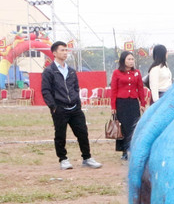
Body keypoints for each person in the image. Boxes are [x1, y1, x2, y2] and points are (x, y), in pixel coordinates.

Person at [40, 41, 102, 170]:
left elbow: (75, 88)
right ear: (54, 53)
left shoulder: (71, 71)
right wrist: (53, 106)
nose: (65, 53)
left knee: (82, 132)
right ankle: (63, 159)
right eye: (62, 50)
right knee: (60, 135)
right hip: (59, 108)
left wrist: (77, 103)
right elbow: (46, 90)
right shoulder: (49, 71)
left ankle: (87, 158)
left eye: (66, 50)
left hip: (74, 107)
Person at [110, 51, 147, 161]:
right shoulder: (117, 73)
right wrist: (113, 107)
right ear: (123, 60)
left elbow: (140, 88)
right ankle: (124, 150)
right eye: (129, 59)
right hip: (121, 102)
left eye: (132, 59)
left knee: (134, 126)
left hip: (133, 102)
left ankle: (133, 149)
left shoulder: (137, 73)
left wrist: (142, 103)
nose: (131, 61)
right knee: (124, 128)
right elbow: (113, 90)